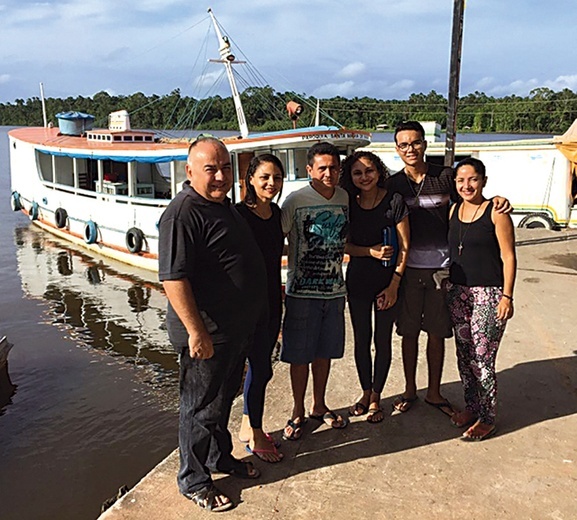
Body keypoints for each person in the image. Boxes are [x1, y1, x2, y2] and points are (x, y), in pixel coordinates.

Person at [158, 136, 266, 513]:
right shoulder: (183, 213)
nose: (220, 176)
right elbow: (173, 278)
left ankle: (220, 457)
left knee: (222, 402)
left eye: (225, 168)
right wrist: (196, 332)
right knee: (199, 407)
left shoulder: (221, 206)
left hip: (234, 329)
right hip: (207, 333)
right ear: (190, 172)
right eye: (211, 169)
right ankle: (193, 479)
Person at [387, 121, 511, 418]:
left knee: (437, 332)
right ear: (397, 149)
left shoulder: (444, 176)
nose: (410, 149)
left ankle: (433, 391)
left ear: (425, 144)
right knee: (409, 333)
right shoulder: (393, 184)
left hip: (444, 270)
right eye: (403, 145)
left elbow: (472, 201)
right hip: (407, 269)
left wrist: (498, 199)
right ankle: (408, 390)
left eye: (415, 142)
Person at [280, 141, 349, 441]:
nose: (328, 173)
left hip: (334, 291)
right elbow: (276, 238)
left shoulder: (345, 197)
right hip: (301, 292)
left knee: (325, 353)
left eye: (333, 167)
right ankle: (297, 411)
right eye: (321, 168)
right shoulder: (294, 201)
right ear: (309, 169)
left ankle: (319, 406)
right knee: (299, 355)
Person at [445, 157, 516, 441]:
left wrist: (507, 296)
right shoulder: (453, 210)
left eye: (472, 179)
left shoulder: (496, 212)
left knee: (483, 357)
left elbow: (508, 256)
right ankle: (472, 407)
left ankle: (487, 418)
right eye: (461, 180)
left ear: (483, 180)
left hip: (489, 294)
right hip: (458, 293)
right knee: (464, 356)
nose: (466, 185)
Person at [340, 151, 410, 423]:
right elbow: (344, 245)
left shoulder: (394, 201)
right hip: (358, 281)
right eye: (357, 173)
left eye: (369, 171)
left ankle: (377, 398)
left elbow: (405, 246)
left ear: (379, 172)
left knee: (382, 340)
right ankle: (365, 392)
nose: (364, 177)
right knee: (361, 341)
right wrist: (368, 251)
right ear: (351, 177)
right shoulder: (349, 203)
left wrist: (395, 283)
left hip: (386, 283)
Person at [236, 154, 285, 463]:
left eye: (276, 178)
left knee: (261, 366)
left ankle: (246, 423)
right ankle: (255, 433)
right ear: (251, 179)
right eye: (265, 177)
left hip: (271, 299)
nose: (271, 183)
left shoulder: (277, 212)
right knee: (260, 367)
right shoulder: (238, 214)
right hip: (245, 304)